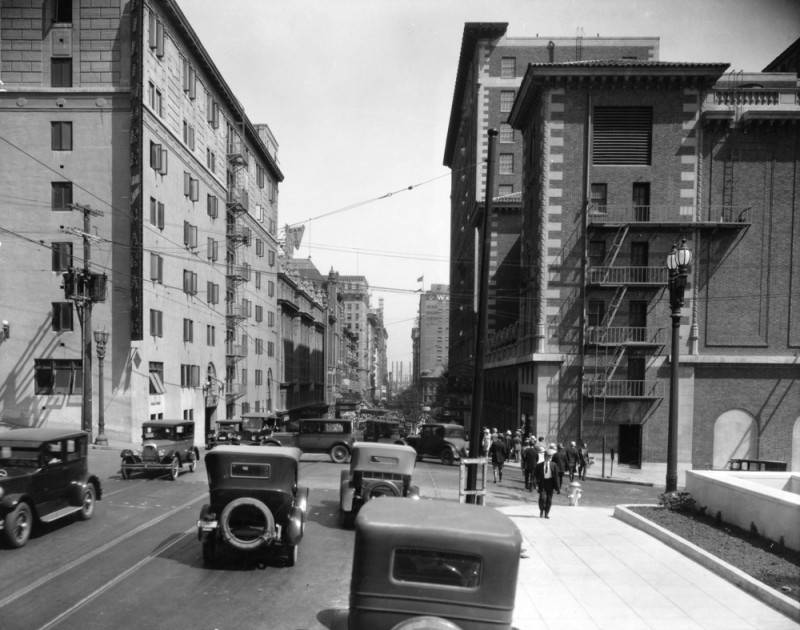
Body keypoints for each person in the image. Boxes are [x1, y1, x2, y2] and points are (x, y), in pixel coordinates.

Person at [534, 448, 561, 518]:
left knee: (549, 500)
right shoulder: (539, 465)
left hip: (550, 483)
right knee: (542, 498)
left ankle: (546, 513)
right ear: (545, 456)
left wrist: (557, 488)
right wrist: (535, 484)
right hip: (542, 483)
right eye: (548, 456)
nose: (549, 458)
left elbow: (556, 477)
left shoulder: (554, 465)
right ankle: (541, 510)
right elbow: (535, 476)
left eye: (550, 456)